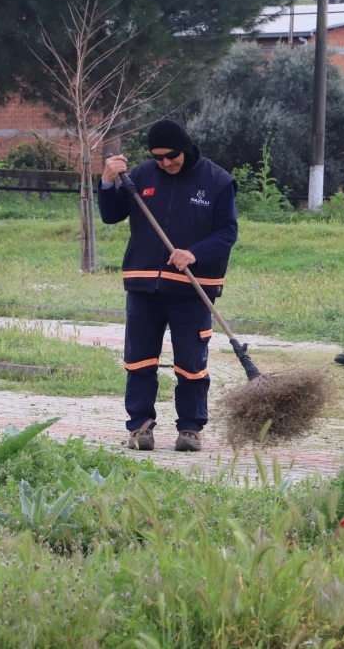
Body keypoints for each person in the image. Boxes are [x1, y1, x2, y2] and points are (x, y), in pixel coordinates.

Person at [98, 119, 238, 452]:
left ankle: (190, 429)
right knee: (139, 361)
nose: (165, 163)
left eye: (171, 156)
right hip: (143, 285)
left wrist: (194, 254)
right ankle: (140, 428)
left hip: (192, 288)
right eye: (158, 157)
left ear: (185, 148)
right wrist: (106, 182)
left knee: (190, 364)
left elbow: (227, 232)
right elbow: (110, 215)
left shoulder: (217, 181)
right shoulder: (142, 176)